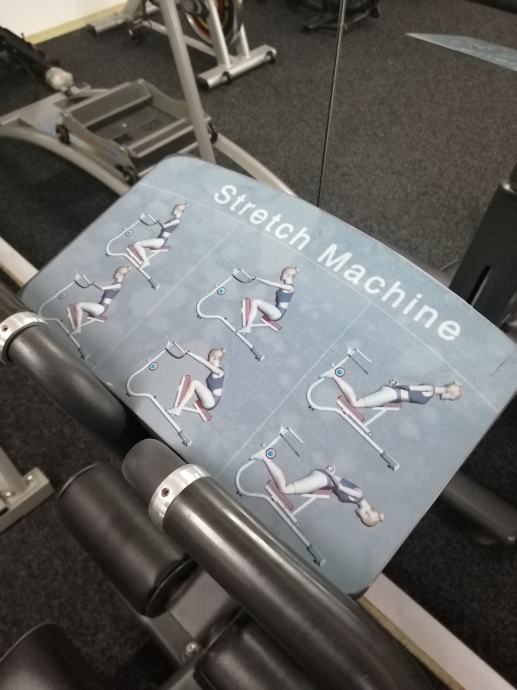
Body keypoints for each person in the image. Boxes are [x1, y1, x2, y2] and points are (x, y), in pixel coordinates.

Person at [261, 454, 384, 527]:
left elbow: (338, 488)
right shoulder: (358, 495)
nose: (360, 518)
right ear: (367, 514)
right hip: (322, 479)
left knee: (287, 489)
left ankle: (265, 457)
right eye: (362, 519)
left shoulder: (357, 499)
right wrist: (331, 474)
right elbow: (340, 487)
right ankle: (264, 457)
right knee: (284, 489)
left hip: (323, 480)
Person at [321, 366, 462, 408]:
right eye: (450, 398)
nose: (447, 400)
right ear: (449, 392)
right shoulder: (430, 389)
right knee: (355, 403)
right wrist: (395, 386)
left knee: (356, 403)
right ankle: (334, 375)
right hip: (391, 393)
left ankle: (334, 375)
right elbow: (411, 388)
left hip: (391, 394)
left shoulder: (431, 391)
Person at [67, 266, 130, 335]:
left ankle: (78, 329)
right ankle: (77, 327)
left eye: (116, 272)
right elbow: (102, 289)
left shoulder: (118, 285)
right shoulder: (115, 284)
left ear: (120, 274)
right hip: (100, 306)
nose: (114, 274)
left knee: (79, 305)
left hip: (102, 308)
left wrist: (93, 283)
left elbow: (102, 288)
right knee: (78, 306)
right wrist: (93, 283)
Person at [239, 266, 299, 334]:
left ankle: (248, 327)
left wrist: (257, 278)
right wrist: (257, 278)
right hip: (277, 310)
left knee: (255, 302)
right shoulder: (287, 286)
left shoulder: (290, 287)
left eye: (282, 273)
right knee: (255, 302)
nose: (280, 275)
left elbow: (271, 283)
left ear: (287, 275)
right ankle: (248, 326)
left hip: (278, 313)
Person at [167, 347, 225, 416]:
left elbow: (203, 362)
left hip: (211, 401)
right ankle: (178, 408)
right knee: (194, 383)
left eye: (208, 357)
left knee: (195, 383)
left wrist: (189, 353)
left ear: (213, 358)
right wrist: (189, 353)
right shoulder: (216, 371)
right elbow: (204, 362)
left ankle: (178, 409)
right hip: (210, 400)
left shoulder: (220, 372)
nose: (207, 359)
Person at [129, 203, 187, 268]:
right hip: (160, 239)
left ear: (178, 210)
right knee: (138, 244)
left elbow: (164, 226)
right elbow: (163, 226)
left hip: (161, 240)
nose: (173, 210)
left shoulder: (177, 220)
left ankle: (146, 262)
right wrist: (157, 221)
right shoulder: (173, 219)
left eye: (174, 209)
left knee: (137, 244)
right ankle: (142, 260)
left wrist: (158, 221)